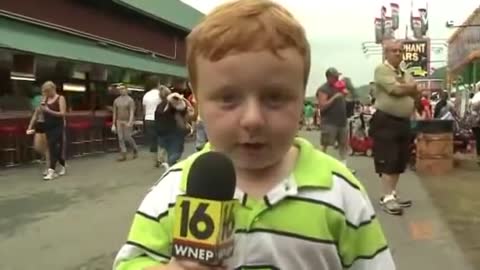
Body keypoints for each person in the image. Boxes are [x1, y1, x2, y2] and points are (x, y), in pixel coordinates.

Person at [113, 1, 394, 269]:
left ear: (302, 100)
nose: (253, 120)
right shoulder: (174, 190)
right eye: (228, 98)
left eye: (275, 97)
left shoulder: (340, 191)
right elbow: (131, 263)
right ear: (197, 103)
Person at [371, 39, 424, 215]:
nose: (398, 53)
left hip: (403, 121)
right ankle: (387, 198)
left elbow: (415, 91)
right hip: (386, 120)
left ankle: (392, 194)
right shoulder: (381, 70)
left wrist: (408, 87)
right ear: (386, 53)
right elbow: (396, 90)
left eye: (400, 50)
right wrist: (410, 87)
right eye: (394, 50)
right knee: (388, 158)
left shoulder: (404, 72)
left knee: (400, 159)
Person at [317, 67, 355, 173]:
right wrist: (335, 97)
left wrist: (345, 95)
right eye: (335, 77)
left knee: (343, 145)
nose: (338, 78)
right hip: (329, 122)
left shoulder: (339, 87)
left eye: (338, 76)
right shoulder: (323, 89)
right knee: (325, 144)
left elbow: (347, 99)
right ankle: (319, 166)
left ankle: (344, 167)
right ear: (329, 77)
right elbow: (322, 106)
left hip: (342, 121)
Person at [155, 88, 193, 169]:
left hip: (163, 133)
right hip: (175, 133)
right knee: (175, 152)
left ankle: (168, 164)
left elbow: (157, 119)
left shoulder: (159, 106)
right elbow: (185, 110)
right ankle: (171, 164)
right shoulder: (174, 104)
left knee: (169, 150)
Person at [40, 81, 67, 181]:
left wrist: (48, 110)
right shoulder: (45, 99)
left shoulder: (60, 98)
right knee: (55, 149)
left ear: (53, 89)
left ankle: (51, 171)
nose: (46, 93)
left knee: (52, 147)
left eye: (47, 91)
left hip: (58, 126)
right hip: (48, 127)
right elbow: (42, 111)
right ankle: (63, 164)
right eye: (45, 92)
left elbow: (62, 113)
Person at [26, 91, 50, 176]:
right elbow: (34, 116)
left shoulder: (50, 105)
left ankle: (48, 168)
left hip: (47, 125)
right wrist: (30, 126)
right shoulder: (39, 106)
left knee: (46, 148)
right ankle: (52, 158)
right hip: (39, 125)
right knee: (37, 146)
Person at [112, 84, 138, 161]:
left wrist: (130, 121)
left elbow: (132, 111)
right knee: (120, 138)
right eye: (120, 89)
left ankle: (135, 148)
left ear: (126, 90)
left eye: (123, 89)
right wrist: (113, 124)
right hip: (119, 121)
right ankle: (123, 153)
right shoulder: (116, 100)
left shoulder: (130, 100)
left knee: (127, 137)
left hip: (127, 120)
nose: (121, 90)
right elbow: (114, 113)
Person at [142, 76, 162, 167]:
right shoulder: (161, 94)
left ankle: (155, 160)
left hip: (148, 119)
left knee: (153, 140)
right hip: (159, 119)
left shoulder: (146, 95)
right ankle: (161, 158)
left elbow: (144, 109)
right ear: (158, 83)